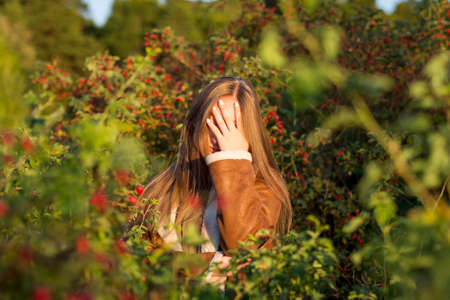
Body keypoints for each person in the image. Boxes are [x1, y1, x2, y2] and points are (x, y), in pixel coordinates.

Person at [126, 76, 292, 293]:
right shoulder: (164, 187)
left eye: (232, 126)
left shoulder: (265, 189)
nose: (220, 136)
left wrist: (233, 160)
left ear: (249, 133)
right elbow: (136, 260)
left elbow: (243, 247)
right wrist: (214, 264)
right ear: (195, 127)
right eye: (213, 123)